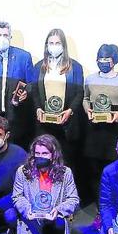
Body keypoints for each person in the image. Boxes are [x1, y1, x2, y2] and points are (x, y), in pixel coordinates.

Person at [83, 44, 118, 229]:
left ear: (115, 60)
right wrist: (87, 110)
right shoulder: (90, 79)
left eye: (107, 59)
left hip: (115, 132)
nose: (103, 62)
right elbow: (85, 98)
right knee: (95, 174)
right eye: (100, 59)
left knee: (116, 173)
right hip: (94, 132)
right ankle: (101, 211)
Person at [13, 134, 80, 234]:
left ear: (53, 155)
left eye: (44, 153)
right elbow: (17, 197)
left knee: (60, 223)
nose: (40, 156)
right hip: (32, 219)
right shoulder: (23, 171)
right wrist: (27, 210)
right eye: (37, 153)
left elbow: (73, 199)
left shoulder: (65, 173)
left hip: (53, 218)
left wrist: (58, 209)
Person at [28, 29, 85, 196]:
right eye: (51, 43)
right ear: (46, 45)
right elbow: (34, 92)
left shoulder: (75, 67)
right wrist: (38, 108)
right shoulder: (39, 66)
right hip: (44, 123)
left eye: (57, 43)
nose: (54, 46)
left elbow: (79, 93)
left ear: (63, 45)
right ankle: (44, 197)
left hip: (66, 124)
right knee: (43, 162)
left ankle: (67, 199)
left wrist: (70, 111)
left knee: (66, 163)